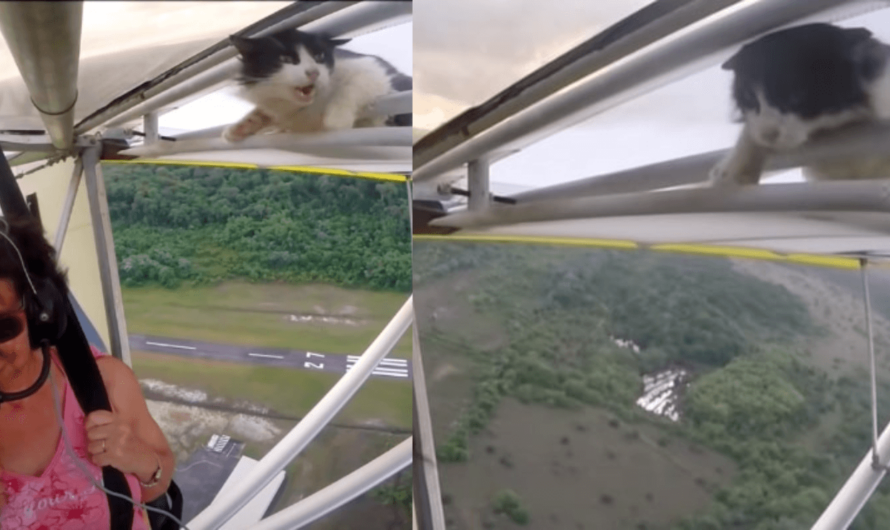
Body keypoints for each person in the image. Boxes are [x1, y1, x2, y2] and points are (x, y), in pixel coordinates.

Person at [0, 215, 175, 529]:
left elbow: (157, 486)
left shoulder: (104, 383)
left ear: (43, 316)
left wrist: (140, 459)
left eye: (2, 327)